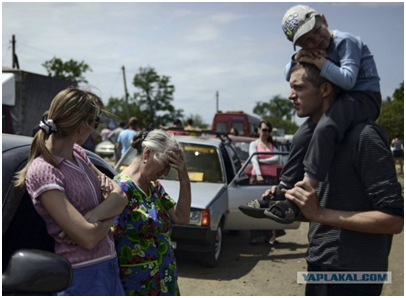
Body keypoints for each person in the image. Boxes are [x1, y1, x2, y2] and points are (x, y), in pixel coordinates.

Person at [263, 62, 403, 296]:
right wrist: (291, 204)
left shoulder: (364, 137)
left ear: (325, 89)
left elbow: (394, 220)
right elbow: (327, 208)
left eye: (298, 87)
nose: (290, 95)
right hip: (319, 265)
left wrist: (319, 213)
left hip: (356, 275)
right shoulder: (316, 141)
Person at [264, 4, 383, 223]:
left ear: (324, 19)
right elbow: (288, 72)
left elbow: (348, 79)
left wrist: (320, 61)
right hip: (340, 100)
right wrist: (299, 57)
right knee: (301, 135)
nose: (316, 41)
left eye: (316, 31)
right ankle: (284, 188)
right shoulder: (309, 49)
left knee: (326, 126)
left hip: (363, 97)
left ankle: (307, 186)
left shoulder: (346, 41)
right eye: (306, 41)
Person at [14, 87, 128, 295]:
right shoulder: (43, 170)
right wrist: (111, 213)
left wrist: (92, 217)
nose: (94, 129)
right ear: (82, 126)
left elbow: (121, 197)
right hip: (80, 275)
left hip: (108, 267)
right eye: (94, 122)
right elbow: (88, 238)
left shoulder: (79, 153)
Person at [112, 129, 191, 295]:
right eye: (165, 164)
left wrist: (184, 179)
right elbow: (110, 242)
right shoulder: (121, 189)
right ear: (147, 153)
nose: (166, 172)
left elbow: (182, 218)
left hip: (164, 283)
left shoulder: (154, 188)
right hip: (138, 287)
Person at [248, 120, 285, 245]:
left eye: (268, 130)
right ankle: (254, 237)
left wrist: (262, 160)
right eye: (264, 130)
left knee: (271, 207)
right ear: (258, 130)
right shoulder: (253, 144)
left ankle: (271, 237)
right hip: (258, 178)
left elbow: (277, 158)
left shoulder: (272, 145)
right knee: (256, 207)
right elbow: (254, 160)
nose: (266, 133)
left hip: (271, 179)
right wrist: (259, 173)